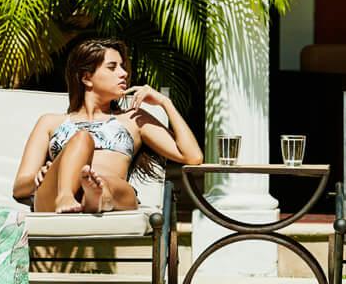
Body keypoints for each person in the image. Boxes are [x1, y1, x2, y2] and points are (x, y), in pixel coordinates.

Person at [12, 38, 203, 213]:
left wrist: (164, 103)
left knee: (108, 183)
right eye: (112, 67)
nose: (124, 74)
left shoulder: (134, 120)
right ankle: (67, 195)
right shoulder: (50, 122)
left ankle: (96, 196)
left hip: (113, 193)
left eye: (122, 67)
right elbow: (19, 187)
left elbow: (192, 156)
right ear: (86, 78)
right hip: (53, 198)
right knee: (82, 138)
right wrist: (38, 176)